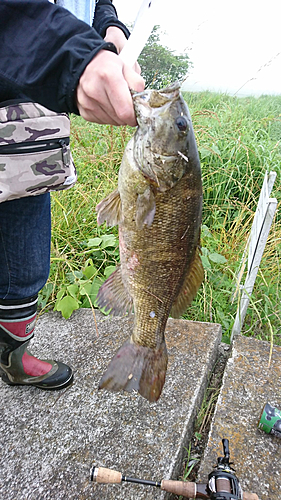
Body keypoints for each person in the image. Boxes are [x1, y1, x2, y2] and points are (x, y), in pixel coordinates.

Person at [0, 0, 145, 390]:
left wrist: (110, 28)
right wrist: (71, 55)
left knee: (25, 264)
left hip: (33, 124)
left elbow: (95, 4)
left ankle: (14, 358)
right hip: (32, 74)